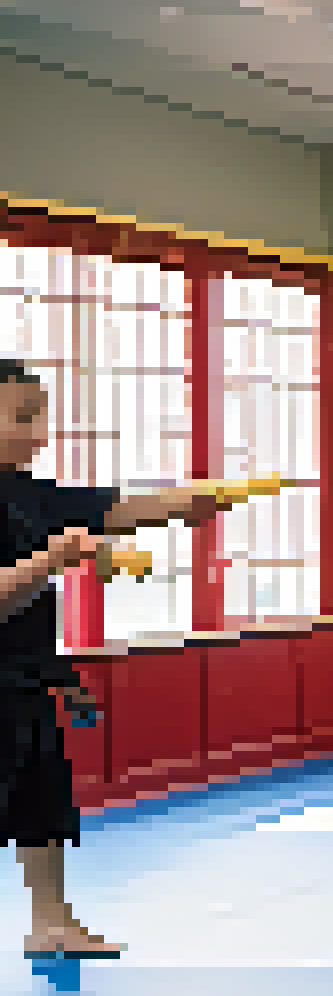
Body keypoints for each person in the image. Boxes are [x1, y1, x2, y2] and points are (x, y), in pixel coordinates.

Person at [2, 358, 232, 960]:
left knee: (43, 804)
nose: (37, 431)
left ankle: (50, 921)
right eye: (22, 417)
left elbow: (113, 512)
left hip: (23, 679)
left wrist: (189, 503)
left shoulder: (28, 495)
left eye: (40, 415)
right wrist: (48, 561)